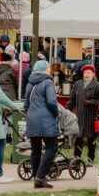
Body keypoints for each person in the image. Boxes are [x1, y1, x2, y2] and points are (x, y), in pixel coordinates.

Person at [24, 59, 59, 189]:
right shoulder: (48, 82)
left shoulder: (29, 83)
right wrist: (56, 113)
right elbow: (51, 101)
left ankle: (36, 177)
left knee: (36, 149)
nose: (50, 69)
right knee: (52, 147)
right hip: (46, 118)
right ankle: (40, 176)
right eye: (48, 67)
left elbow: (26, 105)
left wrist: (31, 114)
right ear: (45, 69)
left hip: (32, 118)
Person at [68, 64, 99, 162]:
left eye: (89, 73)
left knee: (91, 140)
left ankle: (90, 160)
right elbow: (72, 100)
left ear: (93, 74)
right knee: (78, 139)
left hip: (91, 117)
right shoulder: (77, 84)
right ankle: (77, 159)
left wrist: (91, 102)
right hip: (79, 116)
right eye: (85, 73)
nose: (86, 74)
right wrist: (67, 110)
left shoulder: (98, 86)